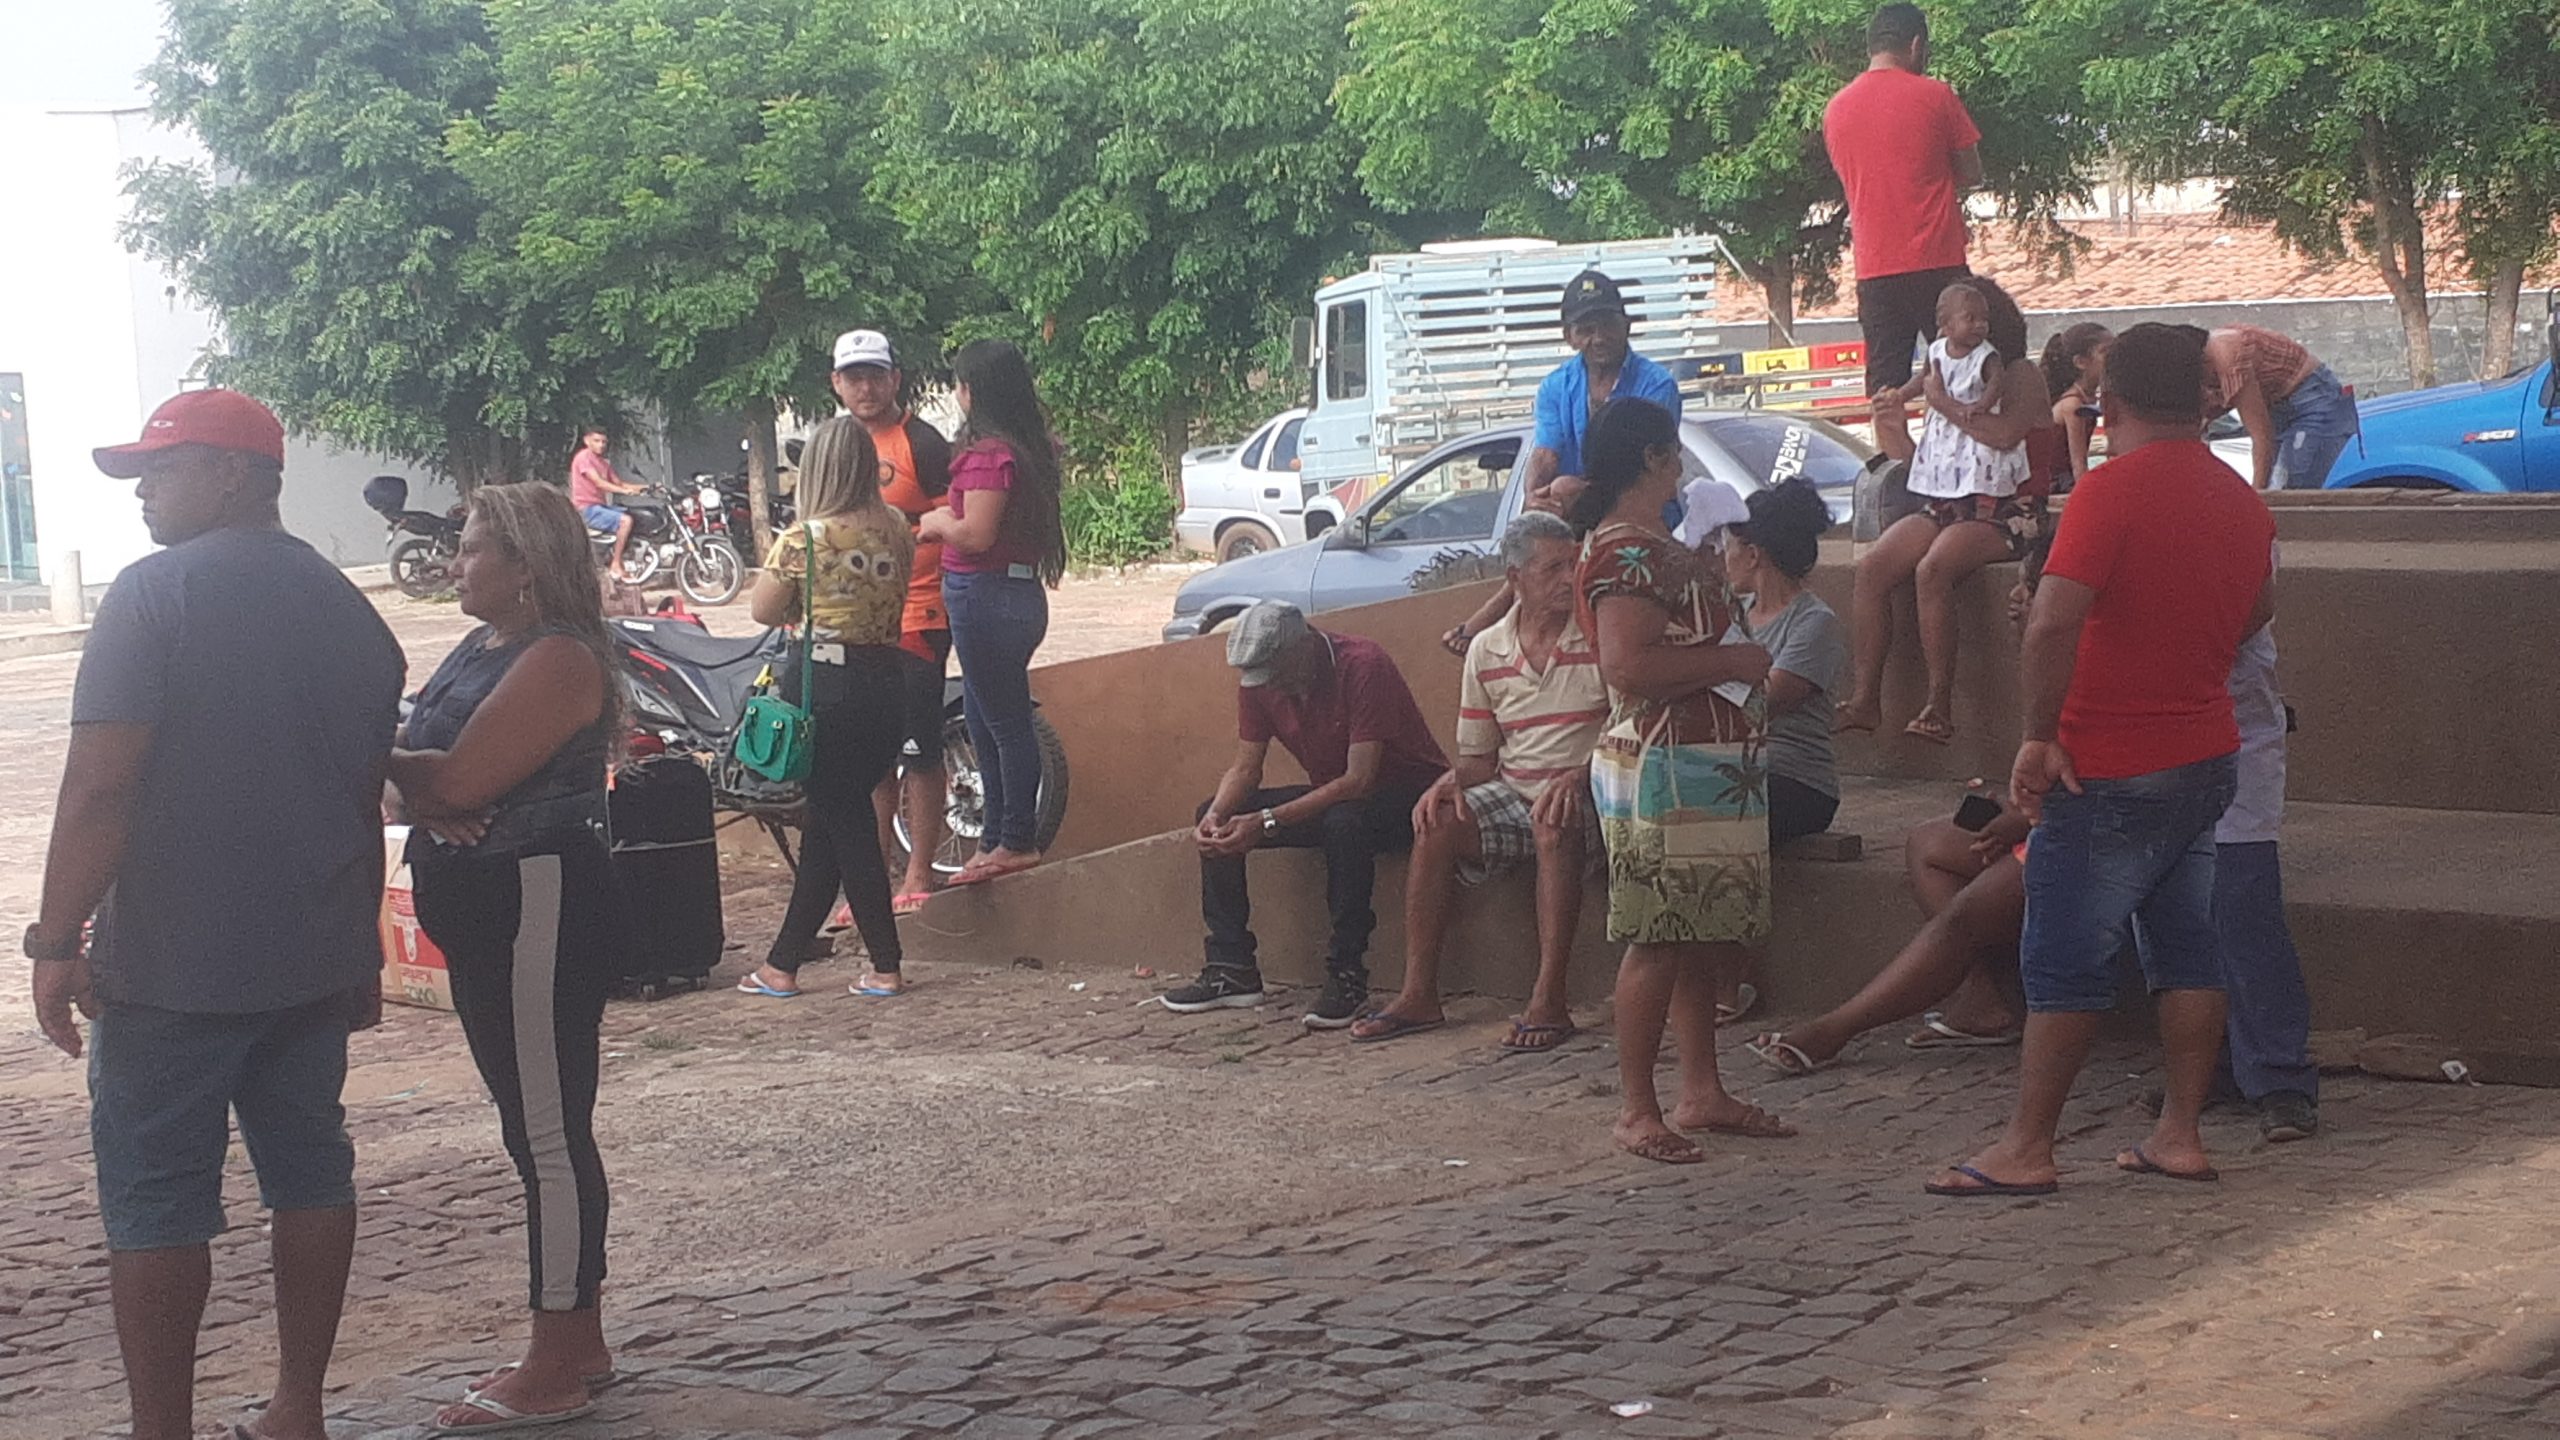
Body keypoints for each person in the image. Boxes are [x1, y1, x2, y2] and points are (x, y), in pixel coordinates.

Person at [27, 389, 404, 1440]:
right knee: (312, 1174)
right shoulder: (349, 607)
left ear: (233, 474)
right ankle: (298, 1408)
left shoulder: (154, 596)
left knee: (156, 1203)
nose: (143, 491)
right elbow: (362, 793)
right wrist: (361, 950)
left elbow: (98, 787)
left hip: (171, 963)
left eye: (163, 467)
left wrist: (55, 941)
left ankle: (164, 1429)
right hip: (312, 957)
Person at [1927, 323, 2275, 1198]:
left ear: (2108, 404)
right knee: (2188, 949)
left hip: (2110, 755)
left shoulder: (2108, 493)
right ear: (2201, 400)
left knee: (2064, 955)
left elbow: (2052, 620)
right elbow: (2256, 611)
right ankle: (2180, 1133)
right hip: (2206, 751)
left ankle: (2029, 1145)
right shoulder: (2239, 498)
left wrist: (2038, 734)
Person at [391, 482, 629, 1432]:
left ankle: (558, 1353)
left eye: (474, 547)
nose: (455, 563)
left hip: (537, 897)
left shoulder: (558, 657)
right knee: (532, 1122)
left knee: (547, 1130)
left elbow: (453, 776)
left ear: (526, 565)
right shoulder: (483, 646)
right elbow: (429, 773)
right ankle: (578, 1336)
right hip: (486, 900)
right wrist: (425, 788)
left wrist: (423, 786)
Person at [1571, 397, 1794, 1163]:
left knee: (1696, 933)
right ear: (1651, 459)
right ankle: (1638, 1108)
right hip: (1663, 765)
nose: (1679, 468)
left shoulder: (1644, 546)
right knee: (1659, 936)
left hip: (1695, 764)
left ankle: (1700, 1089)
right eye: (1672, 454)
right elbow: (1627, 665)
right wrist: (1734, 660)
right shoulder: (1628, 554)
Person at [1349, 513, 1607, 1051]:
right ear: (1515, 578)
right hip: (1516, 792)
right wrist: (1449, 782)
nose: (1569, 578)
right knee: (1437, 819)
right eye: (1553, 568)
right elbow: (1481, 760)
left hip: (1593, 794)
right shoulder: (1487, 649)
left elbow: (1631, 728)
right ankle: (1419, 994)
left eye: (1573, 564)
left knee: (1553, 821)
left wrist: (1579, 776)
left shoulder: (1602, 635)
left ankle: (1549, 999)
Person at [1164, 600, 1451, 1028]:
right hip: (1335, 794)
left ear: (1304, 646)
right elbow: (1246, 768)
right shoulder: (1261, 680)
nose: (1271, 685)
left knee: (1344, 823)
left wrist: (1267, 820)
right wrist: (1219, 815)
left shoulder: (1363, 664)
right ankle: (1231, 966)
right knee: (1214, 813)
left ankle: (1347, 974)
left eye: (1276, 672)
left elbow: (1359, 780)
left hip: (1409, 798)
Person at [719, 418, 923, 999]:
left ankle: (885, 963)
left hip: (825, 687)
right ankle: (781, 964)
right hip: (888, 682)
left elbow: (763, 611)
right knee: (830, 823)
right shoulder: (897, 529)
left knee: (846, 822)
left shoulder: (804, 539)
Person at [1839, 274, 2055, 744]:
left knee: (1933, 568)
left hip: (2009, 507)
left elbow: (2003, 435)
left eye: (1979, 319)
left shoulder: (2018, 373)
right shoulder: (1943, 368)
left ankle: (1939, 704)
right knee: (1874, 567)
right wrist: (1896, 426)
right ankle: (1865, 697)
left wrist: (1942, 403)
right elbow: (1931, 463)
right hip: (1948, 501)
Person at [1444, 268, 1684, 654]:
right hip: (1573, 518)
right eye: (1586, 328)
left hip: (1640, 512)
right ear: (1568, 336)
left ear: (1626, 325)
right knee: (1540, 535)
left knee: (1562, 517)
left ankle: (1493, 613)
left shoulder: (1657, 384)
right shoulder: (1556, 385)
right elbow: (1546, 452)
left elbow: (1634, 469)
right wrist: (1534, 497)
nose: (1599, 337)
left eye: (1607, 324)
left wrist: (1569, 491)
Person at [922, 339, 1066, 886]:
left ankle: (1016, 839)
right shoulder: (1031, 448)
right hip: (1016, 594)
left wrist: (939, 522)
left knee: (1004, 725)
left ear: (970, 390)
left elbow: (976, 535)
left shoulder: (988, 455)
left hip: (984, 595)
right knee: (984, 719)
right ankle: (994, 839)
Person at [829, 329, 958, 916]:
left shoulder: (922, 444)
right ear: (836, 383)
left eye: (875, 376)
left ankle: (919, 871)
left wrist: (901, 536)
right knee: (867, 757)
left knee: (918, 748)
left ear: (895, 379)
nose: (866, 388)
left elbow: (956, 520)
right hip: (855, 621)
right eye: (854, 377)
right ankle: (869, 878)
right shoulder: (836, 444)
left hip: (918, 613)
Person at [1715, 478, 1849, 1025]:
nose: (1723, 557)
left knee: (1723, 816)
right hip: (1732, 764)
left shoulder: (1815, 623)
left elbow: (1766, 702)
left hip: (1798, 779)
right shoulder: (1732, 614)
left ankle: (1732, 976)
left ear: (1755, 554)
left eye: (1729, 546)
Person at [1823, 2, 1985, 394]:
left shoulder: (1836, 110)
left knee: (1885, 389)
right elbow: (1973, 173)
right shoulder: (1936, 95)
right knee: (1963, 373)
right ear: (1915, 45)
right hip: (1938, 261)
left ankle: (1888, 436)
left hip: (1875, 269)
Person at [2202, 323, 2360, 490]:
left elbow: (2261, 437)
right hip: (2278, 404)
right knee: (2280, 486)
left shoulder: (2229, 357)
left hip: (2311, 397)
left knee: (2286, 488)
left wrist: (2256, 496)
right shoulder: (2208, 359)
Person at [2040, 322, 2113, 481]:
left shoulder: (2093, 397)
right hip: (2057, 482)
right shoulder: (2073, 405)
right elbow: (2079, 465)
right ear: (2081, 362)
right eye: (2105, 352)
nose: (2114, 358)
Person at [568, 427, 646, 573]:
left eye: (604, 442)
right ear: (587, 441)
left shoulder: (603, 463)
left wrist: (647, 487)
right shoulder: (584, 457)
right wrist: (624, 491)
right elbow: (599, 482)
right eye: (597, 441)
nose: (601, 445)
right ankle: (616, 563)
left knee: (634, 514)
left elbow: (620, 483)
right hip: (587, 509)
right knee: (625, 521)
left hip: (600, 507)